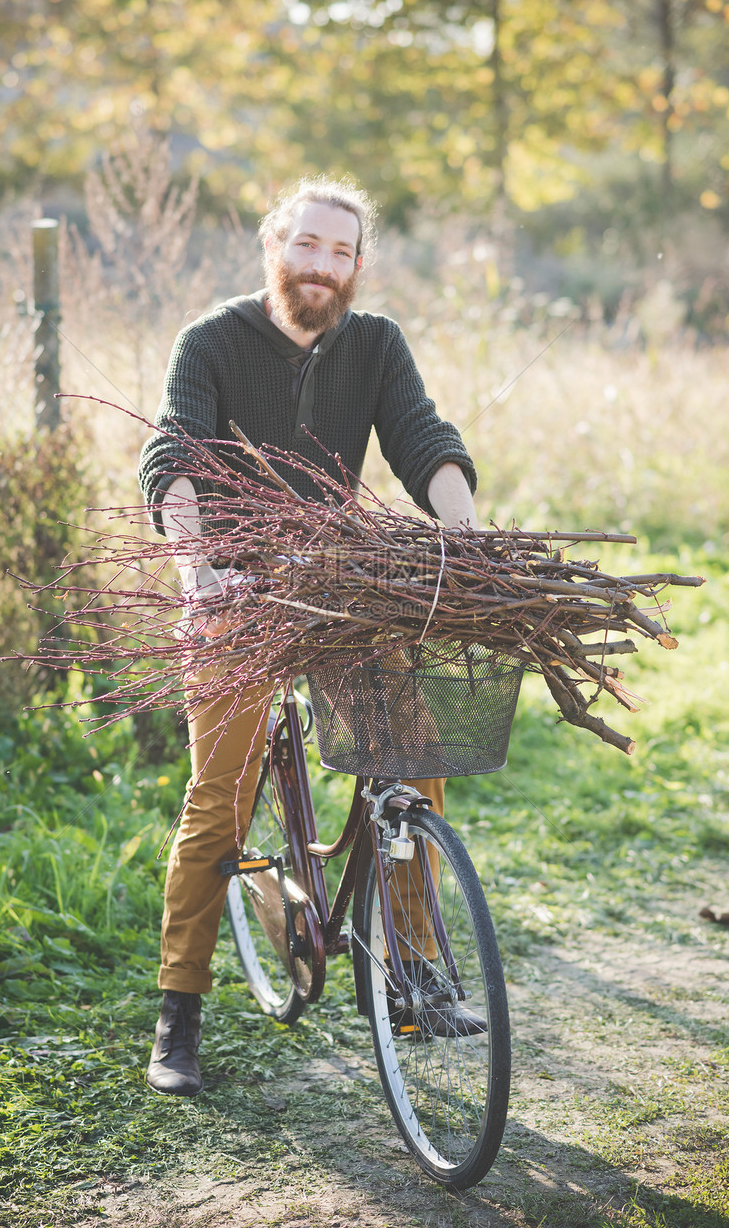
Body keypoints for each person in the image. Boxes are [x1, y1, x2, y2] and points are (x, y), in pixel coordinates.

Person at [137, 176, 479, 1096]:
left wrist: (466, 532)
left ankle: (411, 976)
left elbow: (421, 438)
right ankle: (180, 1009)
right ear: (273, 248)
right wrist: (196, 572)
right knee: (218, 797)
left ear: (357, 265)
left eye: (341, 251)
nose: (322, 266)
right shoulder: (208, 343)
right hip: (235, 597)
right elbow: (176, 457)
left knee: (416, 760)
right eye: (307, 245)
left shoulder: (375, 345)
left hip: (339, 592)